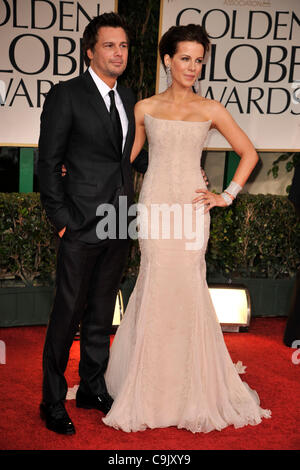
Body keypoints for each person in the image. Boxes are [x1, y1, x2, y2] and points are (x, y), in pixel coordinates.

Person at [102, 24, 271, 433]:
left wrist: (226, 195)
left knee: (187, 287)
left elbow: (249, 153)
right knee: (156, 282)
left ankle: (190, 386)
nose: (193, 67)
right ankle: (150, 387)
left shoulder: (211, 109)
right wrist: (82, 171)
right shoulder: (143, 108)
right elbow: (124, 159)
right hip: (156, 207)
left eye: (199, 60)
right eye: (185, 58)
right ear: (167, 60)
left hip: (194, 211)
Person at [37, 12, 148, 436]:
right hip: (80, 224)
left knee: (103, 313)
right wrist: (62, 220)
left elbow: (130, 157)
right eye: (109, 45)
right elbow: (48, 163)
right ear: (90, 50)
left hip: (119, 220)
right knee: (67, 314)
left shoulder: (129, 96)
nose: (118, 53)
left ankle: (91, 387)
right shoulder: (66, 95)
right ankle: (51, 400)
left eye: (123, 46)